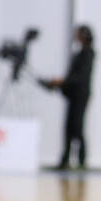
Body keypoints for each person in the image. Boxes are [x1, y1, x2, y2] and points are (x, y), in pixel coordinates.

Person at [40, 25, 95, 171]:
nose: (75, 36)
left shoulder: (88, 53)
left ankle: (82, 160)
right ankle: (65, 160)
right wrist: (58, 84)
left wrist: (61, 81)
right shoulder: (78, 54)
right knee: (68, 128)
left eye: (78, 34)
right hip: (72, 95)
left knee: (77, 127)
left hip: (81, 96)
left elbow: (80, 77)